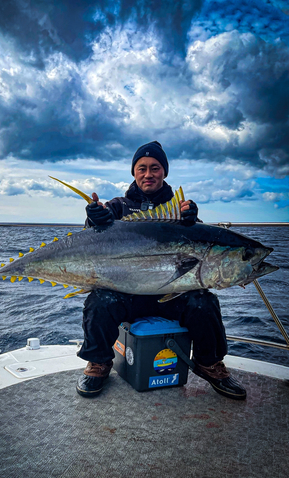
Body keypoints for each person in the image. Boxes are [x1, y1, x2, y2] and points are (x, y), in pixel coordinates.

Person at [76, 141, 246, 401]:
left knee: (204, 302)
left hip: (171, 294)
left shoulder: (180, 210)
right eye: (141, 168)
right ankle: (98, 363)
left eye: (155, 168)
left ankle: (208, 363)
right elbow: (94, 233)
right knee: (100, 301)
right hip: (127, 293)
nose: (148, 174)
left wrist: (193, 222)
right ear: (133, 172)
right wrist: (94, 217)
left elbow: (202, 253)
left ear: (164, 172)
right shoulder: (118, 207)